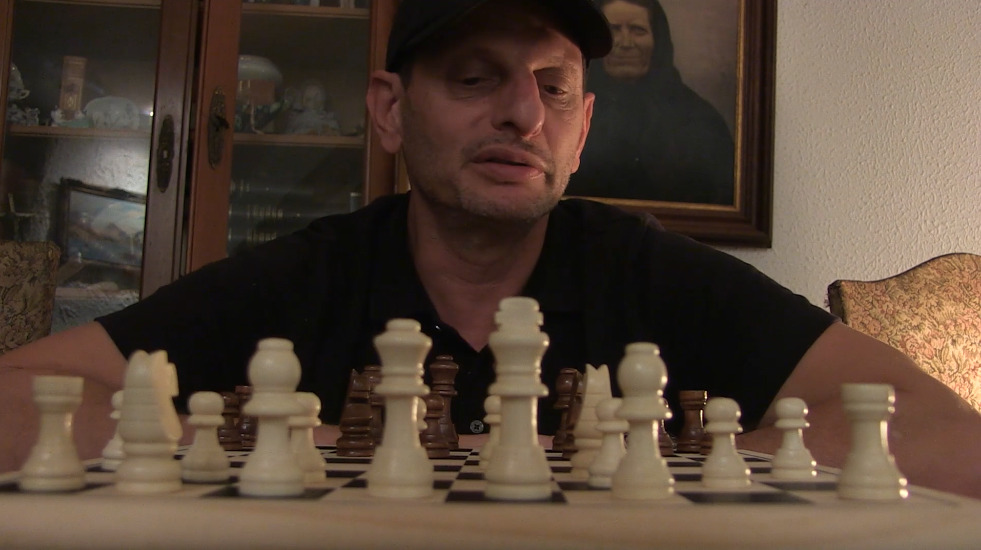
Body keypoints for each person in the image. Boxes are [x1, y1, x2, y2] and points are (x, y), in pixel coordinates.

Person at [1, 0, 979, 500]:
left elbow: (952, 439)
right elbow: (17, 397)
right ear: (390, 110)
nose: (522, 113)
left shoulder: (651, 271)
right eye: (475, 77)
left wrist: (697, 458)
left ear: (582, 130)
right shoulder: (308, 274)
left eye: (554, 88)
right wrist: (226, 441)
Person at [567, 0, 735, 204]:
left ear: (658, 41)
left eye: (638, 30)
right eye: (614, 30)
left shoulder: (699, 120)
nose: (625, 43)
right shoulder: (566, 112)